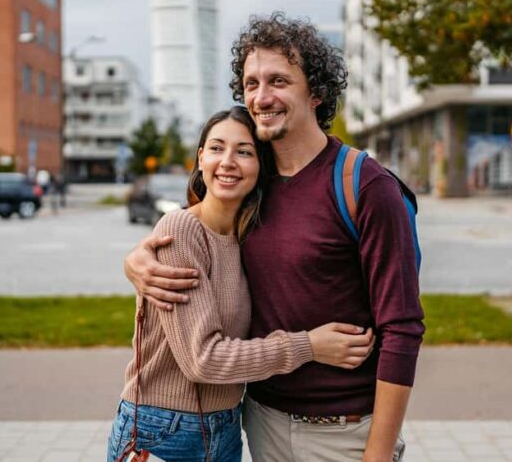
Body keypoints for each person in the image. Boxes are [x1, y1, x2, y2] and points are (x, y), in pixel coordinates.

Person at [125, 13, 425, 462]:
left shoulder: (363, 185)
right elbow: (196, 230)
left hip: (342, 434)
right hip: (257, 423)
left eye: (278, 81)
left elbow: (402, 328)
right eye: (250, 83)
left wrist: (378, 453)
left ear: (316, 92)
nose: (261, 97)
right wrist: (134, 261)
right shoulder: (252, 179)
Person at [108, 107, 375, 462]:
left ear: (260, 166)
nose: (228, 161)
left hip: (226, 426)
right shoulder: (182, 229)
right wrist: (308, 346)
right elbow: (203, 360)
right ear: (201, 158)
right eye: (217, 148)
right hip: (164, 431)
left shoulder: (246, 236)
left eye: (244, 151)